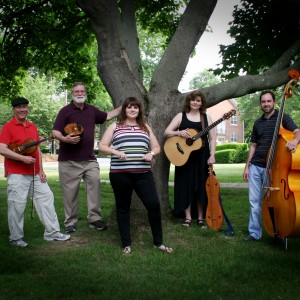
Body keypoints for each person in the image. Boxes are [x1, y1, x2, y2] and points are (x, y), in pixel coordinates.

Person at [99, 97, 173, 254]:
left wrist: (151, 154)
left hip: (143, 174)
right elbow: (102, 146)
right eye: (129, 107)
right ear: (124, 109)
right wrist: (116, 151)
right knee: (123, 207)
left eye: (135, 107)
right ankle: (127, 244)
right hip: (120, 174)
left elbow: (157, 147)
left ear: (139, 110)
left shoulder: (145, 127)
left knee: (153, 205)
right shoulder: (115, 126)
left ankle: (158, 243)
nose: (132, 110)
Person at [0, 97, 70, 247]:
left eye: (24, 107)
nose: (22, 110)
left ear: (28, 109)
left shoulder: (32, 126)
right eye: (19, 107)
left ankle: (52, 233)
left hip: (34, 173)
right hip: (17, 172)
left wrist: (41, 170)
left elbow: (37, 148)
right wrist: (21, 158)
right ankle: (15, 238)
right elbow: (2, 149)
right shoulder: (8, 127)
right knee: (17, 205)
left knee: (46, 198)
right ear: (14, 110)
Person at [52, 82, 121, 234]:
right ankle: (70, 222)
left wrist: (124, 106)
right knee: (70, 193)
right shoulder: (65, 111)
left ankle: (94, 219)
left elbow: (108, 115)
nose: (79, 93)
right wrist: (65, 139)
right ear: (72, 93)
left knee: (95, 185)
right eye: (76, 91)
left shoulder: (91, 110)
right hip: (68, 160)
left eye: (82, 91)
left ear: (85, 93)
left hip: (89, 159)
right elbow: (55, 131)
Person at [243, 90, 300, 241]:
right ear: (260, 104)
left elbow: (297, 132)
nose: (266, 104)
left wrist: (295, 141)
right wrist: (247, 166)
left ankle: (279, 230)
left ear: (274, 102)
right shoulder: (257, 123)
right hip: (256, 165)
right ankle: (255, 233)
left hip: (274, 168)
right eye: (263, 101)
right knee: (254, 202)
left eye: (269, 101)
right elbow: (253, 145)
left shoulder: (283, 118)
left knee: (275, 201)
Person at [164, 90, 216, 228]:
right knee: (185, 185)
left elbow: (212, 138)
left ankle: (200, 218)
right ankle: (187, 217)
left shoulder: (206, 118)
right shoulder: (181, 116)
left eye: (198, 100)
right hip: (183, 156)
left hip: (202, 156)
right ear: (189, 101)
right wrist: (179, 132)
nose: (195, 102)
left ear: (201, 103)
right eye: (193, 100)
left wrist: (212, 155)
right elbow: (167, 132)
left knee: (201, 186)